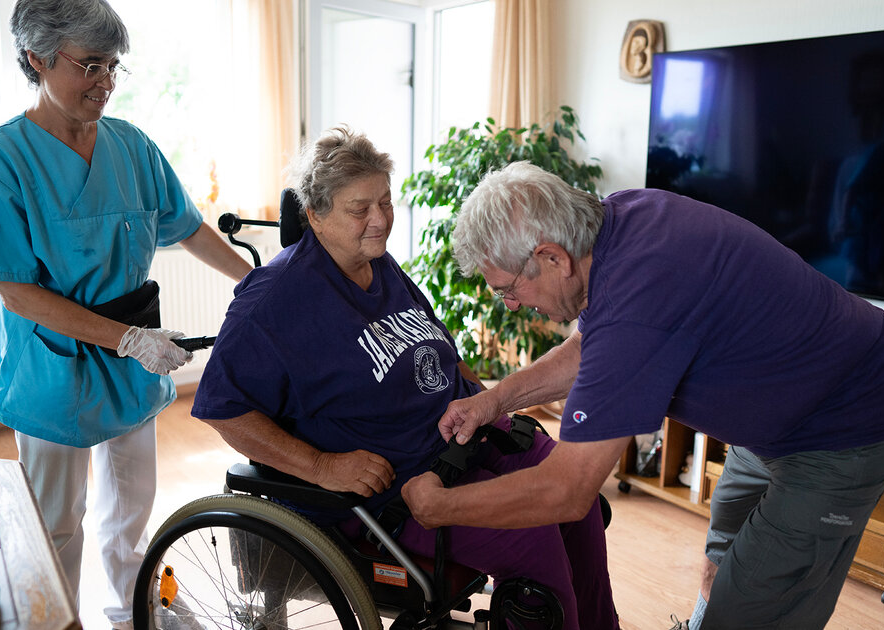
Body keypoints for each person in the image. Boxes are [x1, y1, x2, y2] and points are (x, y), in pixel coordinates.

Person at [401, 161, 884, 629]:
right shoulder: (615, 219)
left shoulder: (640, 298)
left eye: (509, 289)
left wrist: (442, 507)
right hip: (791, 408)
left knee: (755, 607)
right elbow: (593, 346)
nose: (513, 306)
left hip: (849, 424)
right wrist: (493, 401)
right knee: (725, 534)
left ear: (552, 258)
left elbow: (566, 490)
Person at [191, 127, 618, 630]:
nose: (380, 221)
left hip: (470, 440)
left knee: (579, 498)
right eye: (359, 209)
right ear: (315, 214)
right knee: (534, 539)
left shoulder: (382, 266)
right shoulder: (274, 302)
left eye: (386, 202)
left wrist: (485, 401)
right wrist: (323, 467)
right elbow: (223, 408)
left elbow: (443, 354)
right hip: (400, 490)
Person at [0, 1, 253, 626]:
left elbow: (188, 229)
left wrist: (258, 284)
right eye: (88, 64)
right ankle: (53, 618)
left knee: (131, 508)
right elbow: (18, 292)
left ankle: (132, 609)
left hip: (131, 352)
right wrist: (128, 340)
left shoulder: (132, 146)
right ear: (37, 60)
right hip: (53, 363)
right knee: (55, 521)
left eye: (113, 66)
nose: (105, 81)